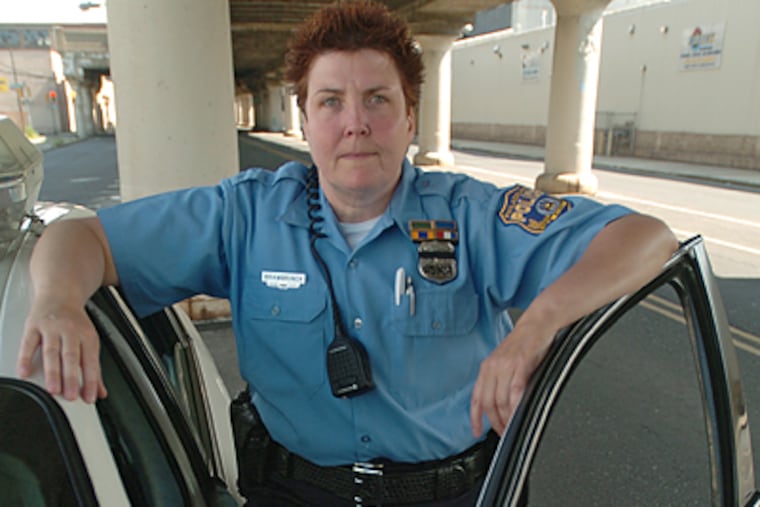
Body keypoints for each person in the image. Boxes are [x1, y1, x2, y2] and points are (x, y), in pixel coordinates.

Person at [17, 1, 677, 505]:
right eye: (331, 101)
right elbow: (81, 238)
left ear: (410, 118)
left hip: (452, 493)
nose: (355, 121)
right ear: (306, 120)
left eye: (377, 100)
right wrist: (58, 299)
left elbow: (647, 239)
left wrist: (538, 322)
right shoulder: (244, 215)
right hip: (297, 492)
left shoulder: (471, 216)